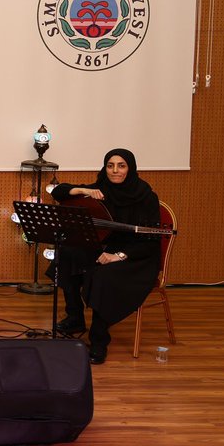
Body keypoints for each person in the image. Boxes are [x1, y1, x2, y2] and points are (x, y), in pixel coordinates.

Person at [50, 148, 161, 365]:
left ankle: (99, 340)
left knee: (104, 275)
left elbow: (151, 241)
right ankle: (75, 318)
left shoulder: (146, 196)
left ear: (131, 168)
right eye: (110, 166)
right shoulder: (101, 188)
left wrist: (117, 256)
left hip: (135, 255)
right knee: (68, 254)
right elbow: (58, 192)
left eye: (121, 166)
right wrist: (85, 191)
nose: (115, 171)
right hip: (105, 247)